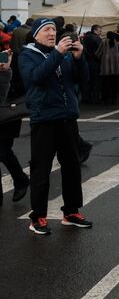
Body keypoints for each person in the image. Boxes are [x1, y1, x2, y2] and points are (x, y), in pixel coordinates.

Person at [18, 18, 92, 235]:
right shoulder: (27, 55)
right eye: (47, 30)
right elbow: (37, 78)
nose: (52, 33)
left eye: (54, 30)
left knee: (72, 167)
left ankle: (71, 212)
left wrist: (79, 58)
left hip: (67, 118)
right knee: (41, 170)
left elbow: (82, 79)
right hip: (44, 119)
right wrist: (59, 54)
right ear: (36, 34)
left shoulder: (63, 54)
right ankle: (38, 217)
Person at [0, 50, 29, 204]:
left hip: (7, 114)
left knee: (3, 152)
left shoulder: (15, 57)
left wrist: (6, 71)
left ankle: (21, 180)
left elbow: (22, 86)